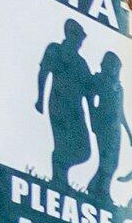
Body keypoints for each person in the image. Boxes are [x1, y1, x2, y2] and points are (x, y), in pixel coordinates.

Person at [36, 21, 93, 190]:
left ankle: (60, 178)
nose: (80, 42)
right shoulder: (55, 50)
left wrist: (93, 116)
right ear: (71, 35)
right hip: (59, 104)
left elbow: (88, 92)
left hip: (76, 110)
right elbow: (43, 72)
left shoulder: (81, 63)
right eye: (78, 38)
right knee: (62, 143)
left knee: (84, 150)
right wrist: (40, 98)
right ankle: (59, 181)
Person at [85, 51, 131, 202]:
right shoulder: (100, 80)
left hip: (116, 128)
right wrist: (94, 117)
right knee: (106, 159)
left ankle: (99, 188)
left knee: (114, 162)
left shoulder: (119, 88)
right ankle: (99, 189)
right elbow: (91, 99)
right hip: (104, 124)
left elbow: (121, 112)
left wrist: (130, 136)